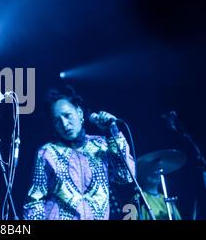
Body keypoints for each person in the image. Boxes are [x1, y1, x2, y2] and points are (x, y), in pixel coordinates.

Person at [23, 87, 135, 220]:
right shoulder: (47, 152)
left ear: (80, 113)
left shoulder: (101, 145)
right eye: (57, 121)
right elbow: (34, 200)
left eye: (67, 115)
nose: (64, 124)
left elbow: (125, 176)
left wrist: (113, 133)